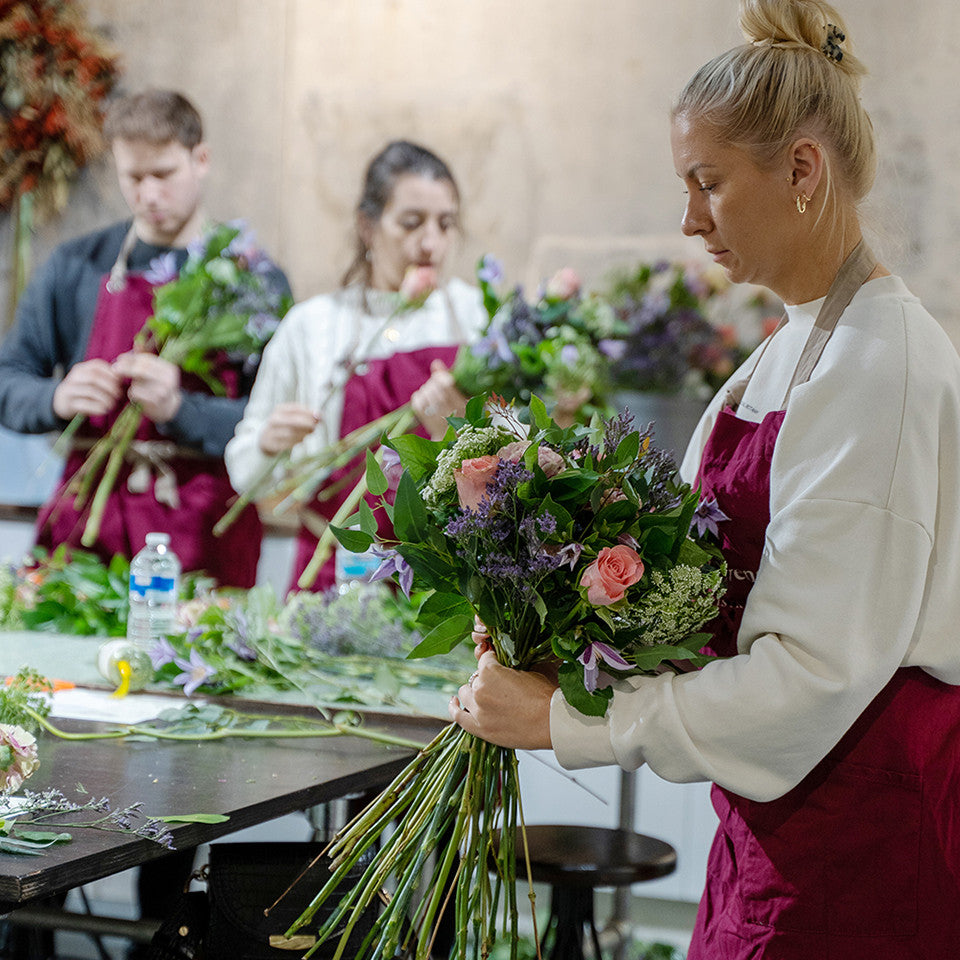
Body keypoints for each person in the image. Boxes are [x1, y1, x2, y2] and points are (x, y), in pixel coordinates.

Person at [450, 1, 960, 956]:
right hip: (778, 833)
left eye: (708, 183)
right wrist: (562, 634)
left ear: (802, 171)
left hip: (863, 856)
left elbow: (810, 677)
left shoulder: (879, 365)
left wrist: (570, 722)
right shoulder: (788, 349)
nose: (688, 220)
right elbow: (698, 593)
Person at [0, 89, 291, 588]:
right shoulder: (76, 265)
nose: (149, 195)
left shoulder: (253, 283)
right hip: (86, 533)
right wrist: (56, 397)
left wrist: (181, 409)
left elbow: (276, 422)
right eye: (133, 178)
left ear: (200, 159)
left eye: (163, 175)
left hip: (201, 534)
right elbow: (8, 381)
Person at [226, 139, 485, 593]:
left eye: (445, 225)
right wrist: (269, 444)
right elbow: (245, 470)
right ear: (367, 227)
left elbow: (514, 463)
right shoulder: (314, 326)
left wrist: (458, 428)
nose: (431, 243)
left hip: (447, 584)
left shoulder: (475, 319)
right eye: (411, 223)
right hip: (335, 576)